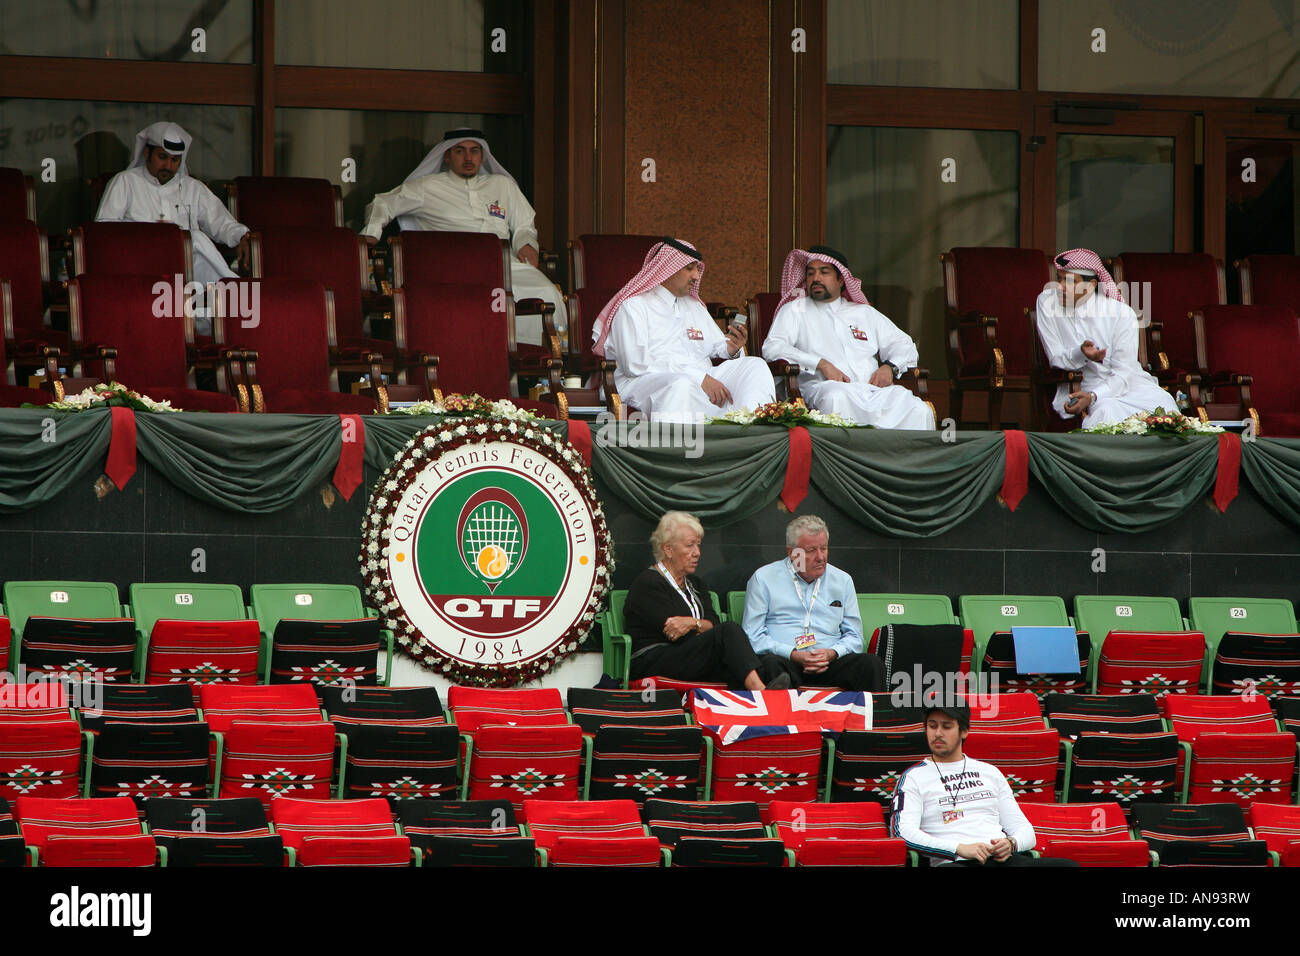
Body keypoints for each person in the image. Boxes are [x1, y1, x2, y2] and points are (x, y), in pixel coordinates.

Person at [359, 128, 565, 347]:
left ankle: (540, 359)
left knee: (546, 292)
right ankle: (500, 351)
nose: (468, 158)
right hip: (456, 270)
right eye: (460, 151)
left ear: (482, 156)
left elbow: (524, 224)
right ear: (447, 156)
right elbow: (382, 203)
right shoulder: (427, 187)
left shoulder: (503, 185)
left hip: (505, 265)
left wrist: (525, 243)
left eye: (474, 151)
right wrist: (371, 233)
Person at [591, 238, 775, 423]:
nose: (696, 276)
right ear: (667, 268)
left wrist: (732, 349)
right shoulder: (634, 307)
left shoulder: (694, 306)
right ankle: (680, 449)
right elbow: (636, 366)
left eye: (697, 268)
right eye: (689, 268)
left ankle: (750, 435)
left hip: (703, 378)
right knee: (681, 385)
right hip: (645, 382)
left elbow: (717, 345)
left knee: (755, 366)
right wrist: (698, 377)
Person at [96, 121, 251, 333]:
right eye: (163, 157)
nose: (169, 166)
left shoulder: (193, 188)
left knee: (194, 245)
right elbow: (104, 234)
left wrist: (243, 237)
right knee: (194, 240)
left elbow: (221, 222)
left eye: (175, 160)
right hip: (140, 266)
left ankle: (225, 312)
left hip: (187, 270)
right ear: (148, 153)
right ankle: (239, 296)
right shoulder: (125, 182)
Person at [762, 246, 934, 429]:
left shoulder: (864, 313)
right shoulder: (795, 310)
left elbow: (904, 345)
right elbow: (773, 347)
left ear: (841, 279)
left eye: (824, 272)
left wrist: (890, 368)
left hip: (873, 391)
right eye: (811, 273)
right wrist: (821, 364)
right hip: (825, 388)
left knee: (917, 408)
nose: (816, 278)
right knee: (837, 398)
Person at [891, 704, 1076, 866]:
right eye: (932, 726)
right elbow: (903, 832)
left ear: (964, 731)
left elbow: (1026, 832)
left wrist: (1010, 844)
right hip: (956, 861)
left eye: (946, 727)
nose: (938, 733)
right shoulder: (913, 777)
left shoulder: (990, 772)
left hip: (1001, 860)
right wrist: (959, 848)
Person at [624, 511, 789, 690]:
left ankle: (778, 707)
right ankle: (761, 694)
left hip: (691, 657)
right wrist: (701, 626)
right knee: (729, 631)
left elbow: (713, 624)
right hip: (655, 660)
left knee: (768, 663)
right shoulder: (649, 583)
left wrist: (693, 623)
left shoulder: (696, 584)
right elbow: (674, 632)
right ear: (668, 549)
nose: (697, 553)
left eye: (698, 545)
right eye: (690, 545)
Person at [1035, 248, 1178, 428]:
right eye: (1060, 278)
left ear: (1092, 285)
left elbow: (1124, 372)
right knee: (1107, 411)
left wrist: (1094, 396)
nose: (1061, 287)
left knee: (1164, 404)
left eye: (1070, 281)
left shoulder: (1121, 314)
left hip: (1127, 385)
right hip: (1082, 384)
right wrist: (1081, 353)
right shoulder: (1047, 302)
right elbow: (1056, 358)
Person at [741, 514, 885, 691]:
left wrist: (832, 653)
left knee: (871, 664)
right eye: (811, 550)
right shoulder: (764, 578)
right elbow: (752, 636)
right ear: (791, 552)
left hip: (829, 662)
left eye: (823, 549)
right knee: (770, 664)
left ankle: (875, 719)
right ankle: (781, 718)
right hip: (786, 661)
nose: (820, 557)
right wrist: (793, 654)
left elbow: (855, 636)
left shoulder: (842, 580)